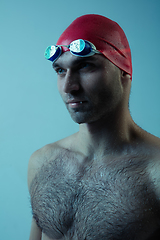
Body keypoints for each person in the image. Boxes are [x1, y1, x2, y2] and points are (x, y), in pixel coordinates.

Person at [28, 14, 160, 240]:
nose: (69, 86)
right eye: (60, 70)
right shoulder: (42, 163)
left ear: (123, 73)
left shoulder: (154, 172)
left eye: (86, 66)